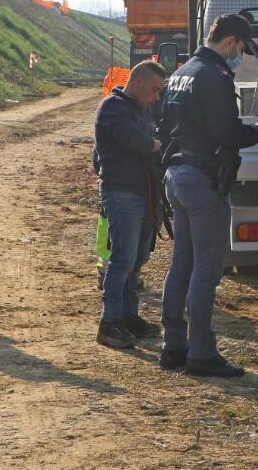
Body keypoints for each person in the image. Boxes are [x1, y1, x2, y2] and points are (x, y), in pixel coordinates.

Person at [157, 14, 258, 378]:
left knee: (182, 264)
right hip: (203, 180)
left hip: (177, 175)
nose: (239, 56)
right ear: (231, 43)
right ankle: (202, 353)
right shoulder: (215, 76)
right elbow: (226, 131)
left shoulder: (182, 72)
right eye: (240, 49)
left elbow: (165, 125)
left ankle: (174, 346)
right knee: (206, 270)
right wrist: (256, 133)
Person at [92, 60, 168, 349]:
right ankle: (110, 323)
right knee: (122, 260)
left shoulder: (141, 109)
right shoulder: (113, 108)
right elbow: (136, 141)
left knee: (136, 261)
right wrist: (155, 144)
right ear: (137, 83)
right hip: (122, 193)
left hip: (142, 193)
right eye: (154, 90)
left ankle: (127, 317)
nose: (156, 97)